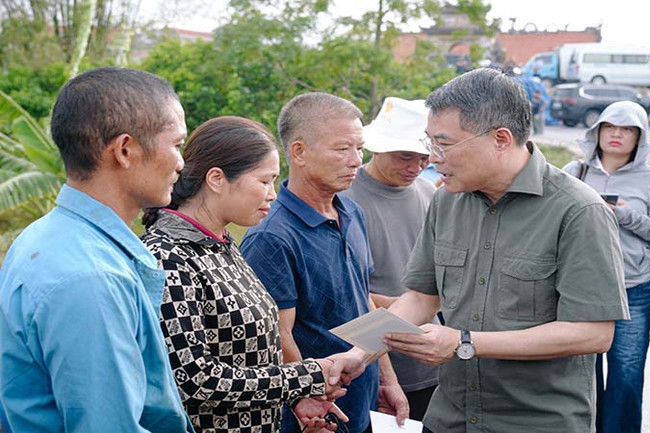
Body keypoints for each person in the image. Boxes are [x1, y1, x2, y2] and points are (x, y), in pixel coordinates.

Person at [382, 68, 630, 433]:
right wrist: (359, 354)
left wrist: (464, 343)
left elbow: (592, 333)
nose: (433, 158)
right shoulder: (446, 201)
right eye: (430, 142)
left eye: (444, 144)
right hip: (450, 418)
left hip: (535, 422)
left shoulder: (578, 211)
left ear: (500, 138)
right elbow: (421, 296)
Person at [141, 116, 367, 433]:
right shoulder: (169, 256)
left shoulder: (221, 244)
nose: (272, 194)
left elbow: (249, 354)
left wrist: (297, 398)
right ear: (217, 179)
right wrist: (307, 376)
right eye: (264, 181)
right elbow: (192, 378)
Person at [0, 67, 193, 432]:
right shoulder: (91, 279)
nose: (181, 163)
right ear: (125, 150)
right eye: (177, 144)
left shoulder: (45, 237)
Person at [240, 92, 408, 433]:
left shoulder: (351, 212)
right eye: (342, 148)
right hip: (311, 417)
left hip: (360, 403)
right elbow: (275, 335)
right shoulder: (272, 235)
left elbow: (365, 303)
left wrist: (386, 378)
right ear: (299, 152)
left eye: (359, 148)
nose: (356, 160)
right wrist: (309, 397)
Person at [563, 100, 650, 433]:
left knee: (626, 375)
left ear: (640, 137)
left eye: (627, 129)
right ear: (596, 131)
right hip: (580, 288)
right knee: (581, 375)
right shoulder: (575, 172)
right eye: (610, 127)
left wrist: (625, 215)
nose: (617, 135)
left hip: (632, 289)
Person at [339, 97, 438, 421]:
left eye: (425, 157)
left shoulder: (431, 195)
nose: (416, 166)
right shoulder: (344, 202)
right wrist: (405, 304)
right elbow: (348, 291)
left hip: (432, 359)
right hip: (367, 361)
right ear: (376, 147)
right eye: (406, 156)